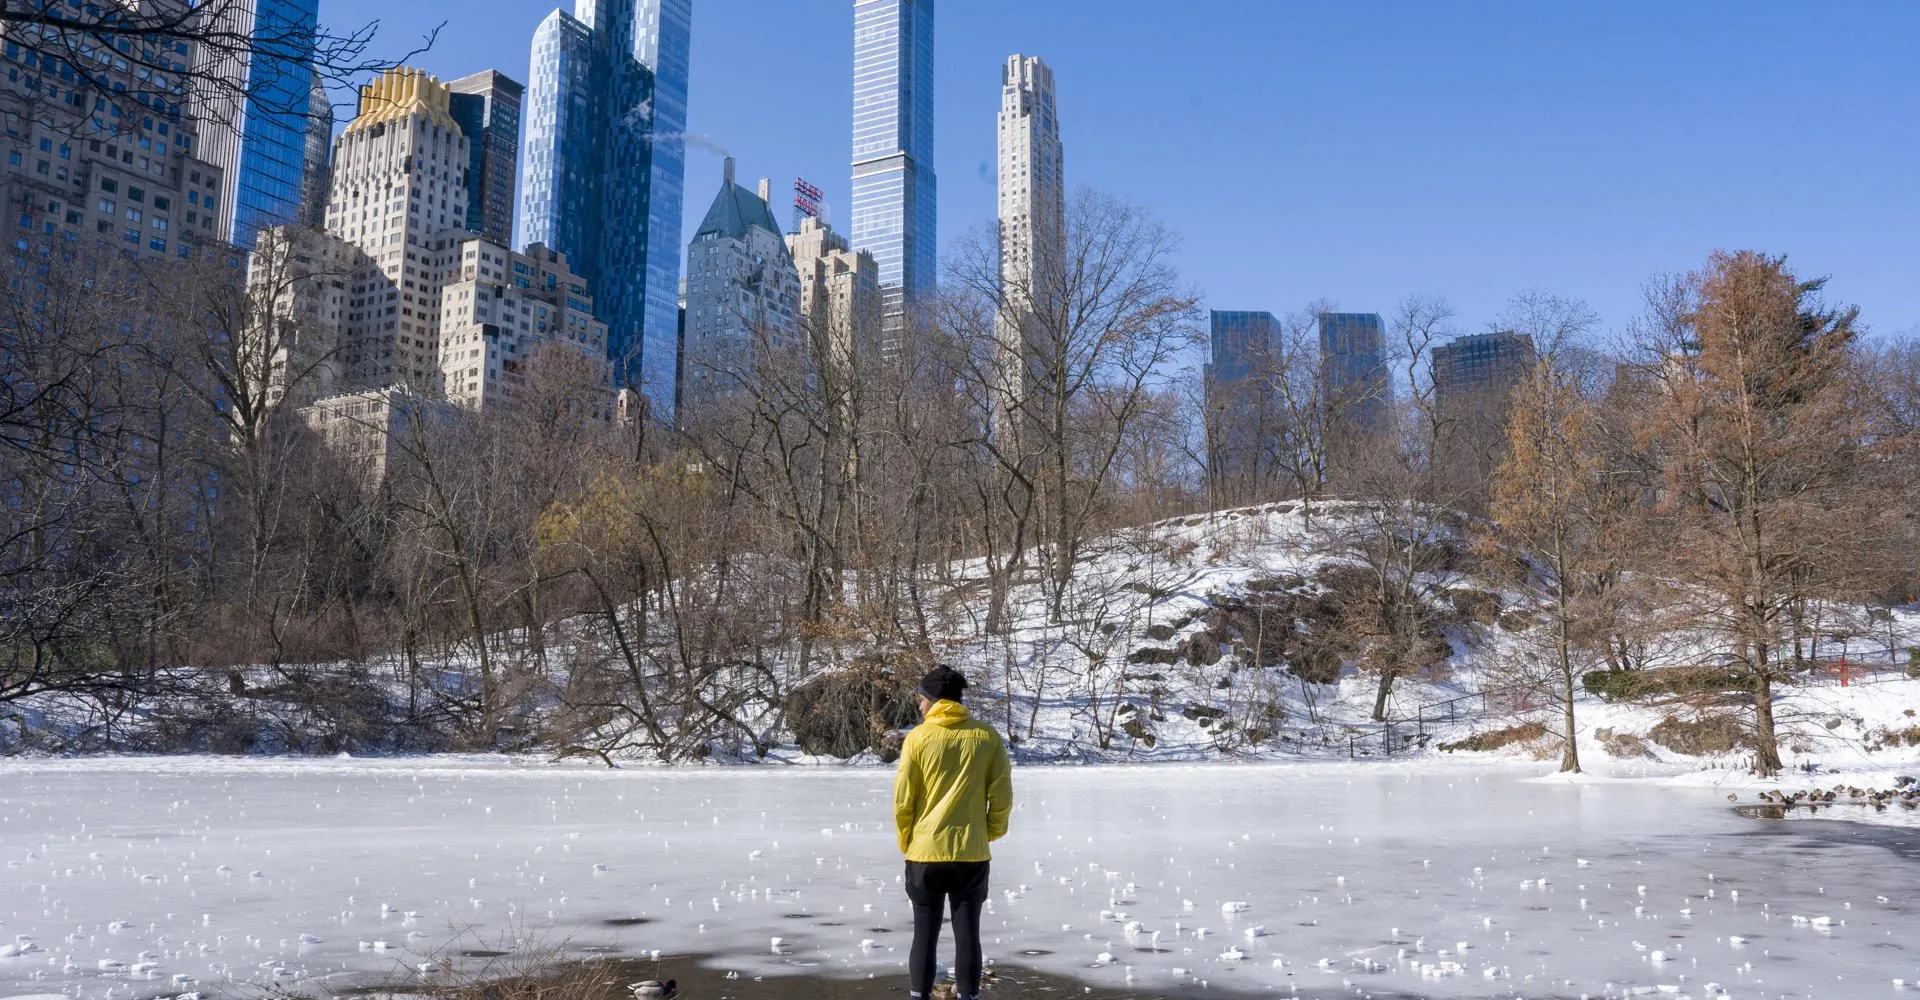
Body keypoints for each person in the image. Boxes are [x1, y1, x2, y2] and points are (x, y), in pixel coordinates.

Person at [892, 665, 1013, 1000]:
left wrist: (907, 840)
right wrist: (989, 832)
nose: (919, 706)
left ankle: (919, 996)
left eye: (921, 699)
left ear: (933, 699)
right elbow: (1001, 796)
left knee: (924, 933)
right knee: (968, 934)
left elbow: (903, 800)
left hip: (925, 853)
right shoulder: (986, 737)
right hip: (971, 853)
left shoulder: (918, 738)